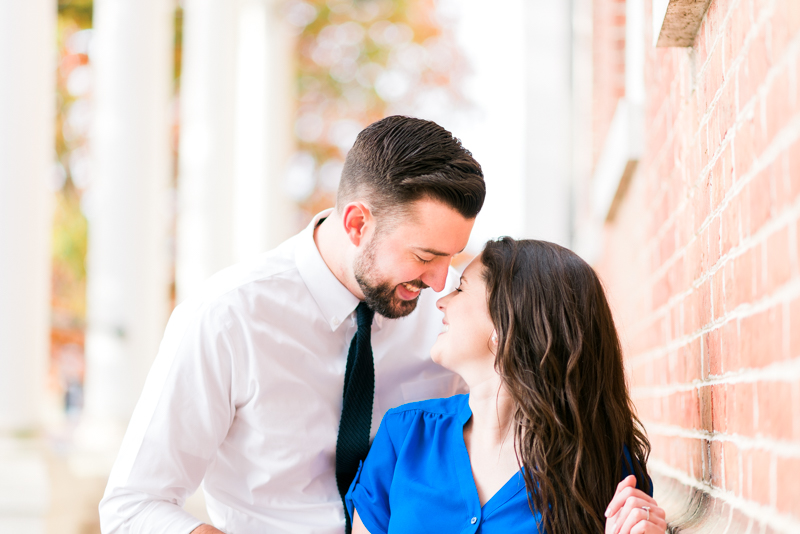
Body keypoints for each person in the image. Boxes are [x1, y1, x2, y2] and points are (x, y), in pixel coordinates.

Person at [99, 116, 485, 534]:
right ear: (357, 224)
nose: (439, 281)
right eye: (425, 257)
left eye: (453, 257)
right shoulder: (227, 318)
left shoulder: (448, 325)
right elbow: (133, 506)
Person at [345, 238, 667, 534]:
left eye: (460, 289)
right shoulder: (404, 435)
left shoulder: (602, 467)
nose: (441, 302)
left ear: (505, 323)